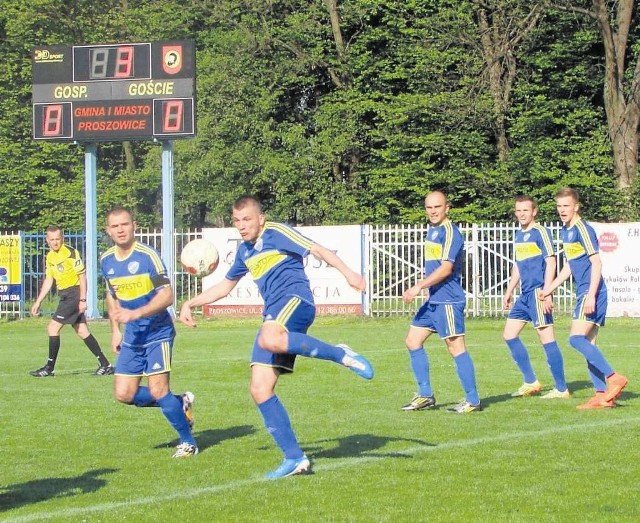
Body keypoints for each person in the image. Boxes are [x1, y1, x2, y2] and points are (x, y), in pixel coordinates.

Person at [179, 195, 373, 479]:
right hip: (273, 315)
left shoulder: (276, 232)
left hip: (296, 302)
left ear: (261, 218)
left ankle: (340, 353)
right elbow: (224, 287)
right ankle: (294, 458)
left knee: (270, 337)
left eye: (247, 219)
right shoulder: (245, 251)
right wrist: (190, 303)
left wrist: (348, 273)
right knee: (260, 389)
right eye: (236, 221)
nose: (242, 226)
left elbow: (317, 250)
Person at [101, 206, 197, 457]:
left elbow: (167, 295)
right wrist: (115, 330)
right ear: (108, 230)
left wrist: (136, 313)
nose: (120, 230)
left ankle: (188, 442)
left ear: (134, 225)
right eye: (115, 226)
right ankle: (178, 403)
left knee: (158, 390)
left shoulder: (148, 257)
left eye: (125, 224)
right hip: (132, 335)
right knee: (124, 394)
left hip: (158, 332)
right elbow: (112, 296)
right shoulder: (107, 261)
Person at [539, 187, 628, 409]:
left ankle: (613, 377)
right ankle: (601, 395)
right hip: (586, 291)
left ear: (576, 207)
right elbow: (570, 265)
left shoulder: (582, 229)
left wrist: (590, 295)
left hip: (592, 291)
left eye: (566, 206)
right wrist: (550, 287)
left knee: (575, 339)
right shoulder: (565, 230)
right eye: (559, 206)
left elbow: (597, 263)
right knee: (589, 343)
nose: (562, 210)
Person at [401, 191, 481, 414]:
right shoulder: (432, 231)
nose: (433, 211)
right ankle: (425, 395)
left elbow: (446, 269)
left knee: (455, 347)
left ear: (447, 208)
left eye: (437, 207)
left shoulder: (450, 233)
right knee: (412, 341)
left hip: (448, 299)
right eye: (429, 207)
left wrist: (419, 286)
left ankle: (472, 401)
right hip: (434, 299)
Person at [502, 195, 569, 399]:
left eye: (525, 210)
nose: (521, 214)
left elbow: (551, 262)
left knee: (546, 337)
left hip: (538, 292)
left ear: (534, 211)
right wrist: (509, 290)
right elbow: (518, 266)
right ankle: (531, 381)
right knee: (509, 335)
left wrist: (547, 292)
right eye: (518, 210)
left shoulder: (541, 232)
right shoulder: (518, 234)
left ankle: (561, 388)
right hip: (524, 296)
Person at [30, 225, 113, 377]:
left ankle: (49, 368)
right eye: (52, 240)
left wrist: (82, 299)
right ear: (47, 240)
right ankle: (105, 364)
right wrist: (38, 301)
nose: (55, 242)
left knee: (53, 328)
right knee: (82, 330)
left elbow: (82, 277)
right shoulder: (49, 257)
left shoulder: (70, 253)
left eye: (58, 239)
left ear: (62, 239)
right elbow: (49, 280)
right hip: (65, 295)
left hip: (73, 294)